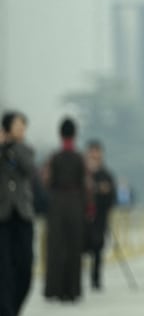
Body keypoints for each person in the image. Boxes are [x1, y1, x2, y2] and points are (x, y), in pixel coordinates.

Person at [44, 116, 87, 303]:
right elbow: (85, 185)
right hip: (76, 204)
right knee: (74, 248)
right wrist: (88, 208)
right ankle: (73, 290)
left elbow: (47, 182)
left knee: (56, 248)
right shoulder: (79, 158)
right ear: (75, 134)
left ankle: (55, 289)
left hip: (56, 204)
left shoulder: (54, 158)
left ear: (60, 134)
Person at [0, 111, 36, 316]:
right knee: (3, 270)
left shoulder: (26, 149)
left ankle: (13, 310)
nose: (22, 130)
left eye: (24, 127)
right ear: (7, 128)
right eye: (18, 126)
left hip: (22, 215)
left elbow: (29, 169)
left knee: (25, 267)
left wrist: (11, 148)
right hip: (2, 218)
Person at [84, 139, 116, 291]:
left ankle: (96, 279)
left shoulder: (106, 174)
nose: (95, 157)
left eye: (97, 154)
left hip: (100, 216)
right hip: (83, 218)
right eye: (92, 154)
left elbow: (111, 196)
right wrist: (98, 188)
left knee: (98, 248)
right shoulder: (82, 173)